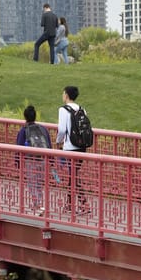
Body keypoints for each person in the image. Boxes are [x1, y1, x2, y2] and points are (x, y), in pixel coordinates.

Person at [56, 86, 89, 214]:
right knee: (73, 176)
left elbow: (62, 129)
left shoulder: (63, 110)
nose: (62, 95)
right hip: (81, 147)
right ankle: (70, 204)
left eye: (63, 93)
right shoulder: (82, 109)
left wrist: (58, 142)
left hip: (70, 148)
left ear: (66, 95)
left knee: (73, 177)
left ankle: (84, 204)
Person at [15, 105, 52, 215]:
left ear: (25, 117)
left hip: (30, 160)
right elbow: (49, 145)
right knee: (40, 182)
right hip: (43, 159)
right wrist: (52, 161)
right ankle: (40, 203)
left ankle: (37, 204)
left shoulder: (23, 130)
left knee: (32, 182)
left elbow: (18, 147)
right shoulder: (43, 129)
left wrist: (17, 161)